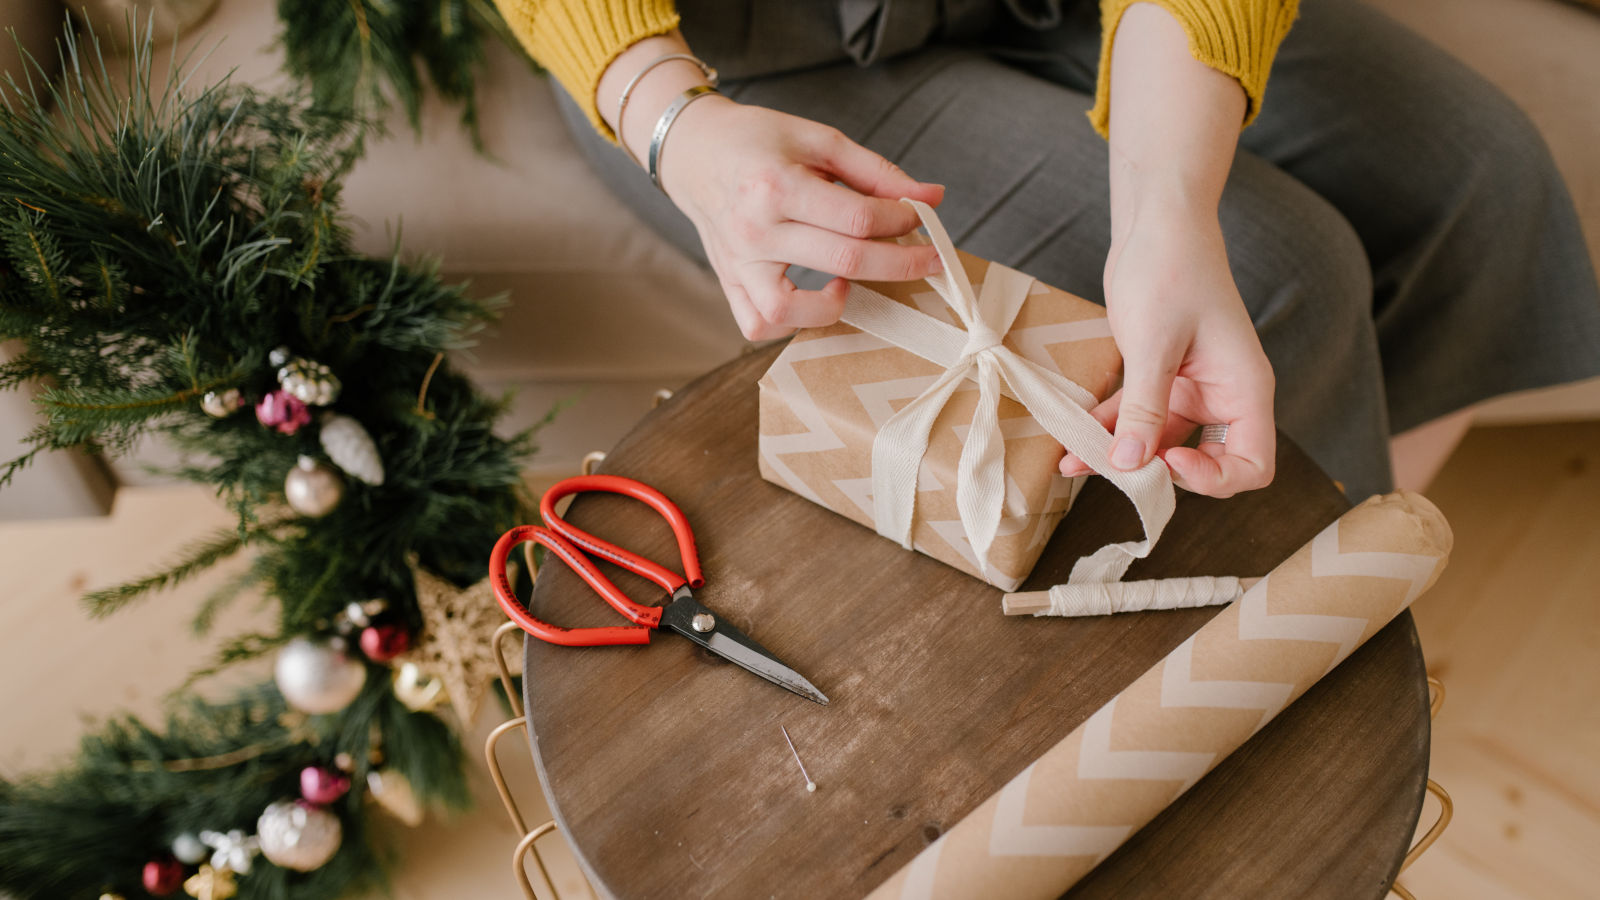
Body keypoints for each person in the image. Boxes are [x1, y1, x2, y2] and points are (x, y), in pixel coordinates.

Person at [494, 0, 1600, 502]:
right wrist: (665, 114)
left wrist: (1166, 209)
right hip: (723, 55)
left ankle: (1319, 625)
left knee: (1481, 175)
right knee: (1283, 278)